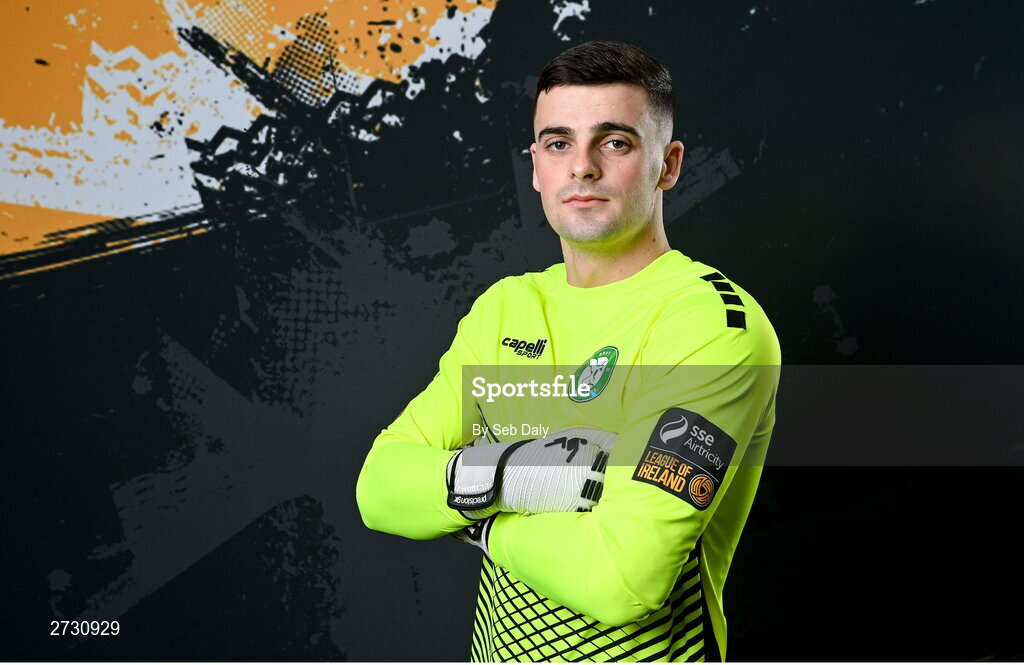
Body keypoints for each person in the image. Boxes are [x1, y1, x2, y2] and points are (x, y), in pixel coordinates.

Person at [356, 40, 780, 662]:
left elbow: (621, 580)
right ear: (536, 167)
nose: (581, 167)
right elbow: (380, 487)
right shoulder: (506, 308)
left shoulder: (712, 325)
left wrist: (472, 504)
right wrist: (527, 478)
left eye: (614, 142)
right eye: (558, 144)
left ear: (668, 164)